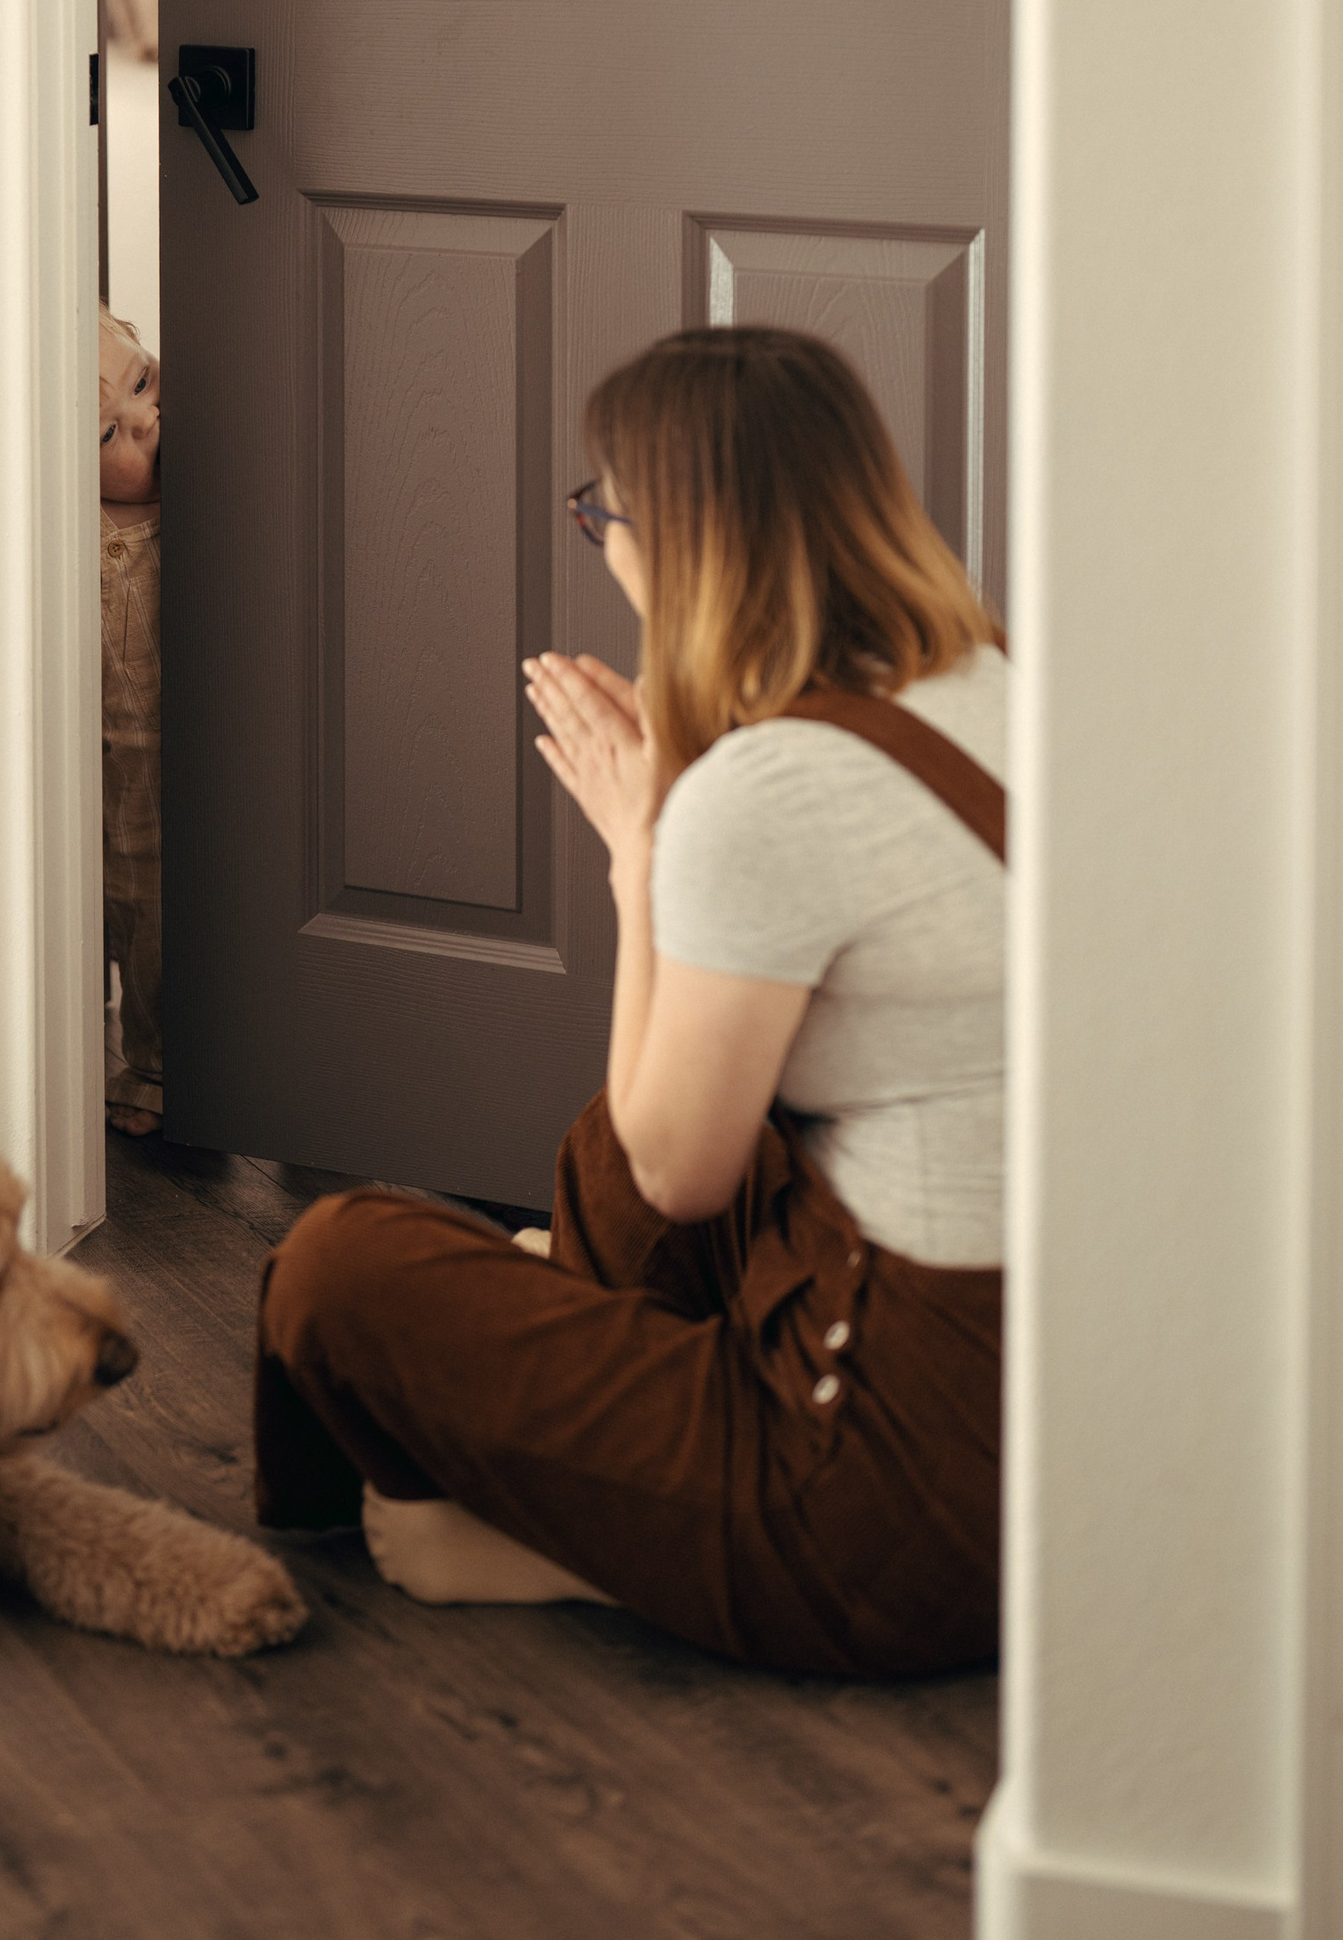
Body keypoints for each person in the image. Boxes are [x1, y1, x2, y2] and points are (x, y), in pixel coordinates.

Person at [253, 327, 1007, 1675]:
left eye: (603, 516)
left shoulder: (768, 794)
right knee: (636, 1146)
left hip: (881, 1499)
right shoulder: (986, 682)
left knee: (332, 1266)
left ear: (677, 544)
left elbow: (674, 1175)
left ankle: (560, 1537)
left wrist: (642, 860)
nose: (604, 547)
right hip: (1049, 1420)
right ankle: (580, 1416)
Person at [99, 303, 163, 1137]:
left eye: (142, 382)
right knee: (144, 903)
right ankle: (151, 1063)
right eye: (107, 433)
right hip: (131, 772)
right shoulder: (73, 540)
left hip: (222, 741)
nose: (146, 420)